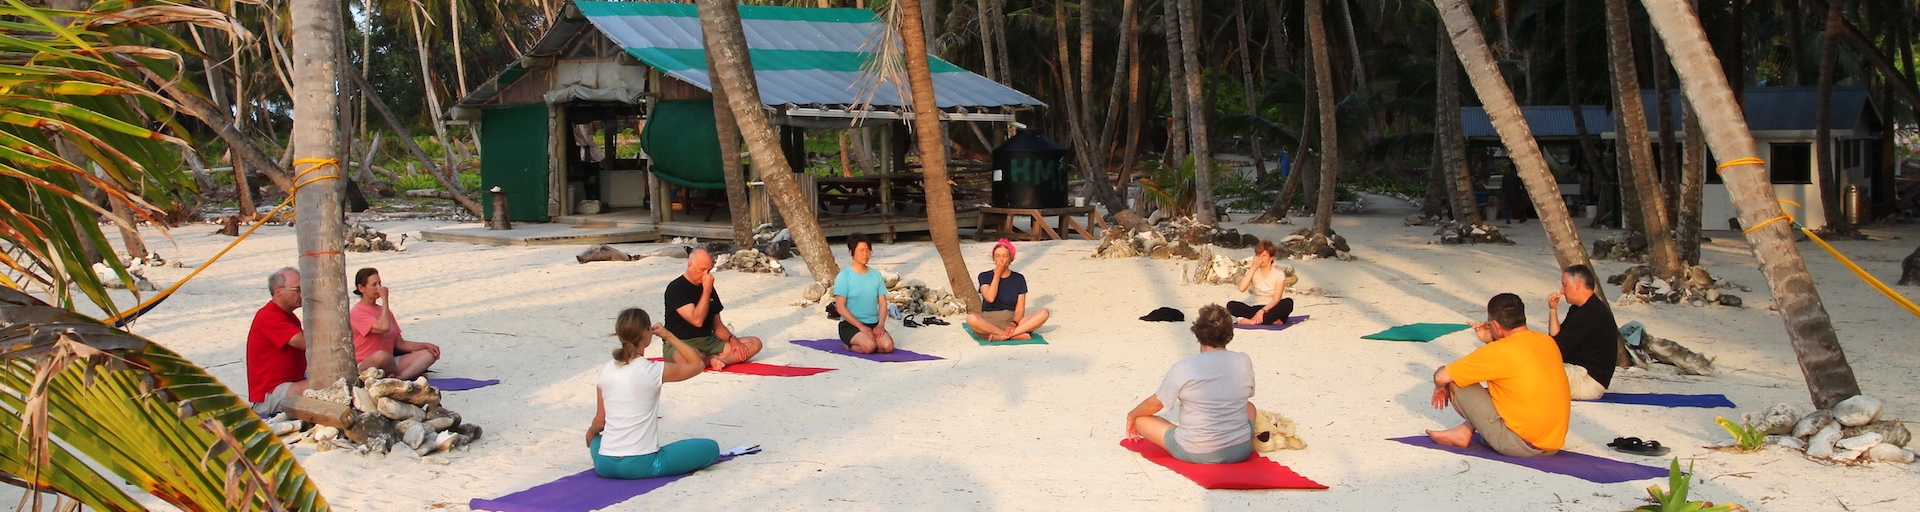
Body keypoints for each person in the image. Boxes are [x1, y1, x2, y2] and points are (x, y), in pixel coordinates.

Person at [1424, 293, 1570, 457]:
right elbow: (1511, 367)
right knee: (1502, 388)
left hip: (1521, 445)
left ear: (1495, 324)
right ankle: (1463, 431)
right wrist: (1492, 341)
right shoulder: (1546, 341)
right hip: (1553, 444)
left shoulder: (1498, 351)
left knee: (1455, 380)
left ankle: (1463, 432)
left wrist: (1440, 387)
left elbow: (1441, 376)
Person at [585, 308, 720, 479]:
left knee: (597, 439)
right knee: (710, 448)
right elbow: (697, 364)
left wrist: (590, 433)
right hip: (640, 464)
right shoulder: (652, 370)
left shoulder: (605, 370)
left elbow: (599, 423)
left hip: (605, 464)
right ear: (646, 333)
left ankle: (601, 448)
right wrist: (668, 335)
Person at [1125, 304, 1257, 464]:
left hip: (1197, 450)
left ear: (1198, 333)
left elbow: (1154, 405)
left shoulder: (1184, 367)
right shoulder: (1243, 360)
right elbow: (1245, 394)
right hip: (1240, 450)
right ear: (1229, 333)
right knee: (1249, 406)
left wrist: (1132, 416)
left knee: (1141, 421)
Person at [663, 248, 764, 370]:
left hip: (707, 341)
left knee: (754, 344)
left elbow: (717, 325)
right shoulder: (676, 288)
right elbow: (697, 320)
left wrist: (733, 339)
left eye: (709, 270)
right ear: (690, 266)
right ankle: (710, 359)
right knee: (691, 358)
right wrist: (706, 290)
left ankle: (722, 361)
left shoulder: (709, 288)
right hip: (680, 343)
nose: (706, 275)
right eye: (702, 270)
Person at [350, 268, 441, 380]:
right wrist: (385, 299)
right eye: (374, 285)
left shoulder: (386, 312)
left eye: (380, 283)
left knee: (429, 354)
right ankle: (403, 376)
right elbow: (383, 327)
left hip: (390, 363)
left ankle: (401, 377)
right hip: (367, 363)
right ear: (361, 288)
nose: (379, 288)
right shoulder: (357, 312)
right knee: (381, 355)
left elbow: (400, 344)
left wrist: (426, 345)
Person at [1547, 265, 1619, 400]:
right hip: (1577, 372)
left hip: (1588, 380)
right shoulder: (1579, 309)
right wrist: (1553, 310)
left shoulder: (1590, 313)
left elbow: (1557, 349)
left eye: (1565, 285)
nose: (1562, 291)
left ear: (1578, 285)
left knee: (1532, 368)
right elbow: (1558, 338)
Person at [247, 267, 309, 416]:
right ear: (278, 291)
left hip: (290, 383)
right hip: (270, 393)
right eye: (298, 289)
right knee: (323, 385)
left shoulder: (291, 318)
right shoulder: (269, 316)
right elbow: (305, 342)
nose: (302, 294)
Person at [965, 239, 1051, 341]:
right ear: (993, 258)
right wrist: (997, 274)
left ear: (1011, 258)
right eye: (997, 256)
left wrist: (1013, 323)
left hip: (1011, 320)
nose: (1001, 260)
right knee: (971, 319)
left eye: (1005, 256)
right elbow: (990, 297)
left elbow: (1020, 310)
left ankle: (1004, 335)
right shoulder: (985, 276)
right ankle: (1010, 335)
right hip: (990, 321)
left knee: (1043, 313)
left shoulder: (1019, 278)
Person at [833, 233, 894, 354]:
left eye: (867, 250)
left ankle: (869, 338)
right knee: (870, 346)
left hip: (873, 323)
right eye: (861, 251)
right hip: (850, 325)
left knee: (887, 347)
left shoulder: (876, 275)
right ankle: (849, 345)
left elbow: (882, 303)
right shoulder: (844, 276)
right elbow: (840, 307)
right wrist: (861, 327)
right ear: (851, 252)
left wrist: (880, 324)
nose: (865, 254)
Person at [1226, 239, 1295, 325]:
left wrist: (1262, 311)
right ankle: (1266, 321)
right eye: (1259, 255)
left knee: (1288, 302)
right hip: (1256, 308)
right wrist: (1253, 268)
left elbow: (1276, 299)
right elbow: (1241, 288)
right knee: (1231, 305)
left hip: (1272, 309)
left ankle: (1254, 321)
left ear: (1271, 258)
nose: (1261, 258)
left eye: (1264, 255)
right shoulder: (1253, 271)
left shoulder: (1279, 274)